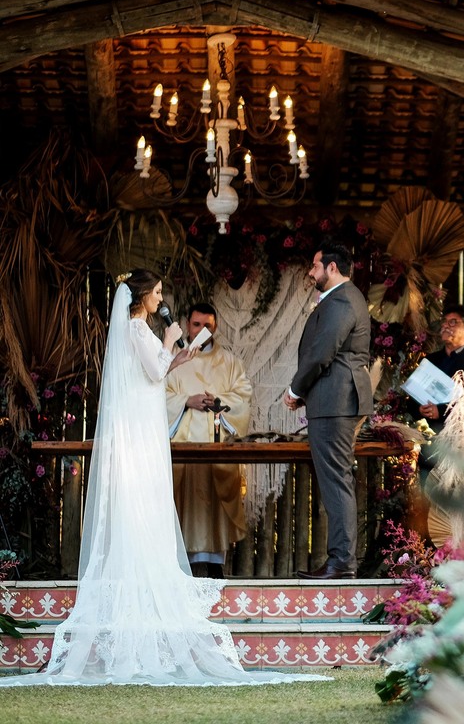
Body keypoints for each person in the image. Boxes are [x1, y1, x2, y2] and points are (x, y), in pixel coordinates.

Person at [0, 269, 326, 686]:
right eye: (156, 292)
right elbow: (156, 375)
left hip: (148, 427)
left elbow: (155, 371)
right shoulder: (137, 328)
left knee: (153, 505)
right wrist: (171, 342)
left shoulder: (143, 331)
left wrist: (178, 357)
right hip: (141, 430)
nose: (161, 298)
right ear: (140, 295)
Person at [284, 243, 372, 581]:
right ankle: (340, 560)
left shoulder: (342, 300)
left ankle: (342, 562)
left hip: (336, 401)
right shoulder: (342, 298)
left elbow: (323, 351)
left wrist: (296, 389)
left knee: (336, 480)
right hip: (333, 400)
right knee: (335, 479)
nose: (311, 272)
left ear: (332, 267)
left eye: (315, 266)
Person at [166, 302, 252, 580]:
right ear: (187, 325)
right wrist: (185, 401)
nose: (202, 330)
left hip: (217, 440)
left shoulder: (229, 362)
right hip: (182, 442)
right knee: (182, 497)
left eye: (208, 325)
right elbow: (157, 394)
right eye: (196, 325)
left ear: (216, 327)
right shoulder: (174, 360)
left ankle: (215, 563)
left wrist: (218, 401)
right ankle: (178, 562)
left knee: (214, 500)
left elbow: (243, 396)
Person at [411, 304, 464, 432]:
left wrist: (441, 411)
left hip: (461, 434)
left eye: (453, 322)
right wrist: (420, 409)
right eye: (444, 322)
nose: (445, 326)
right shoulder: (430, 360)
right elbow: (412, 396)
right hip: (427, 432)